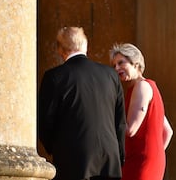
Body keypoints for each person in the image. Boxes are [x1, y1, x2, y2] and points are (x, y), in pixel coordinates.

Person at [38, 27, 126, 180]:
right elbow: (120, 122)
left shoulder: (54, 77)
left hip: (73, 159)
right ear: (86, 46)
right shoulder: (111, 75)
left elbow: (45, 122)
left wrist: (55, 148)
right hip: (109, 160)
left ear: (61, 49)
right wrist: (119, 155)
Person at [109, 43, 173, 180]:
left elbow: (130, 129)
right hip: (144, 158)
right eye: (114, 65)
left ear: (136, 63)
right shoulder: (146, 87)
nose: (117, 68)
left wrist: (105, 118)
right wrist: (156, 154)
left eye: (121, 63)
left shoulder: (141, 87)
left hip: (140, 161)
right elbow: (168, 132)